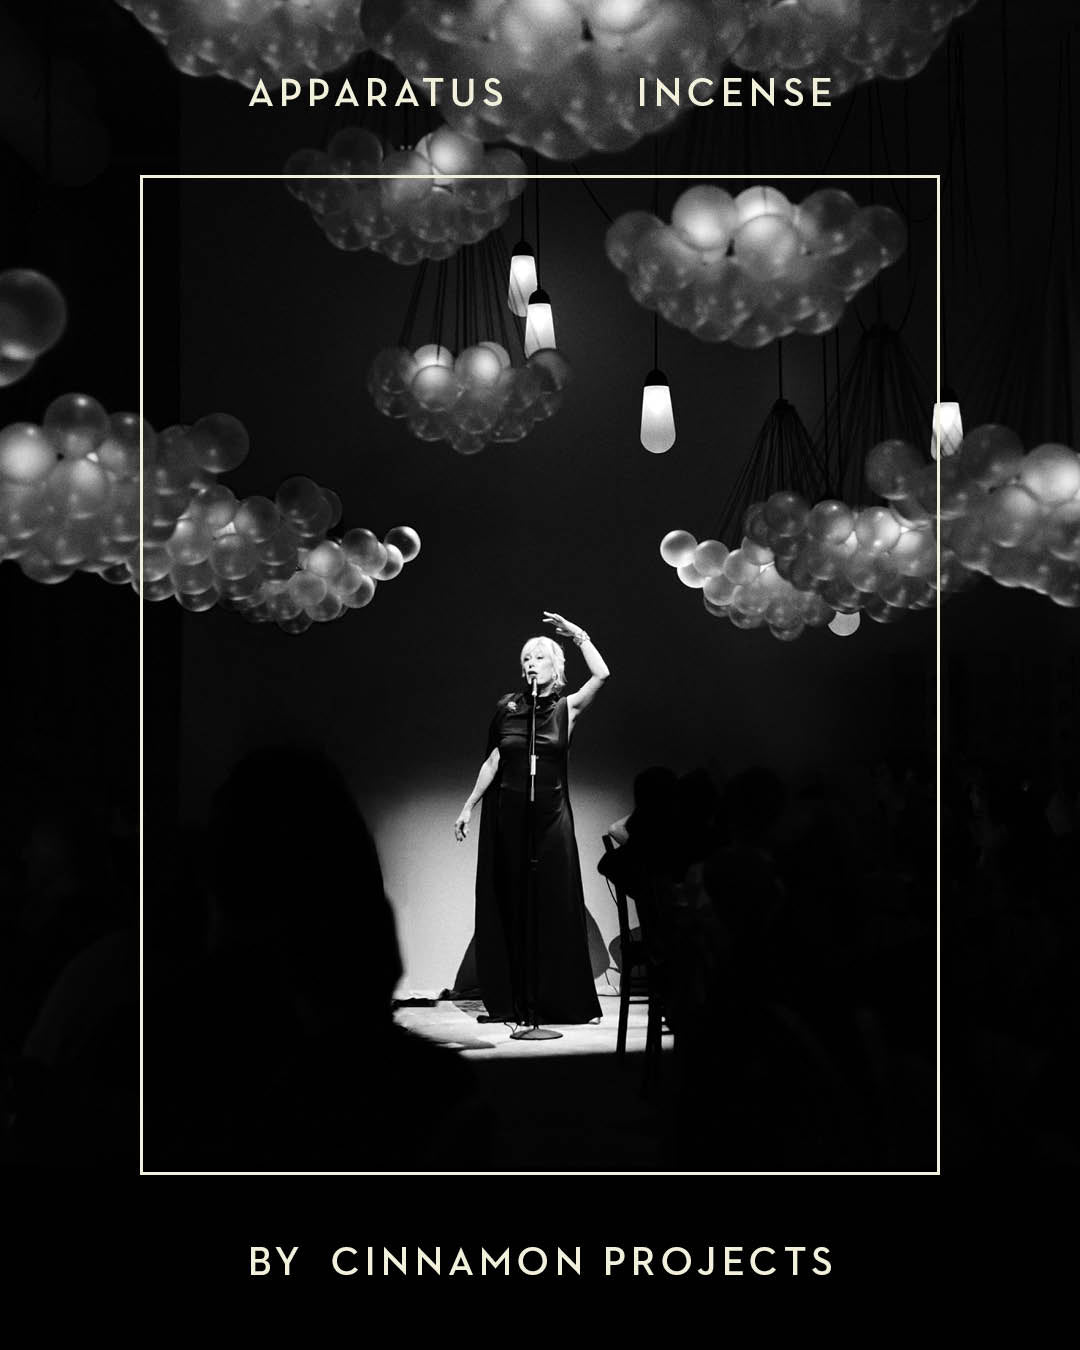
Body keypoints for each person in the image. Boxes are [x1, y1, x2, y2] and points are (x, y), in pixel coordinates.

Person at [454, 612, 609, 1026]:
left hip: (551, 819)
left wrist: (578, 635)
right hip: (509, 819)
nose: (531, 664)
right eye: (526, 659)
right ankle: (514, 999)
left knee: (552, 905)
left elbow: (602, 675)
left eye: (539, 657)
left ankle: (557, 1001)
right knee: (514, 904)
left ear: (555, 667)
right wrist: (469, 805)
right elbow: (494, 760)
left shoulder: (566, 708)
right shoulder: (507, 708)